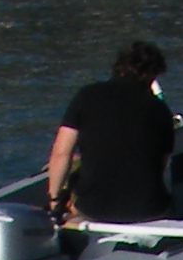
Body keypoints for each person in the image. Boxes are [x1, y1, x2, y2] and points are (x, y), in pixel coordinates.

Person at [50, 40, 176, 226]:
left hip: (94, 208)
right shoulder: (160, 109)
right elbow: (160, 166)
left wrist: (54, 200)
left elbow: (61, 153)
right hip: (147, 209)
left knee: (77, 168)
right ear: (149, 74)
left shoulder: (87, 96)